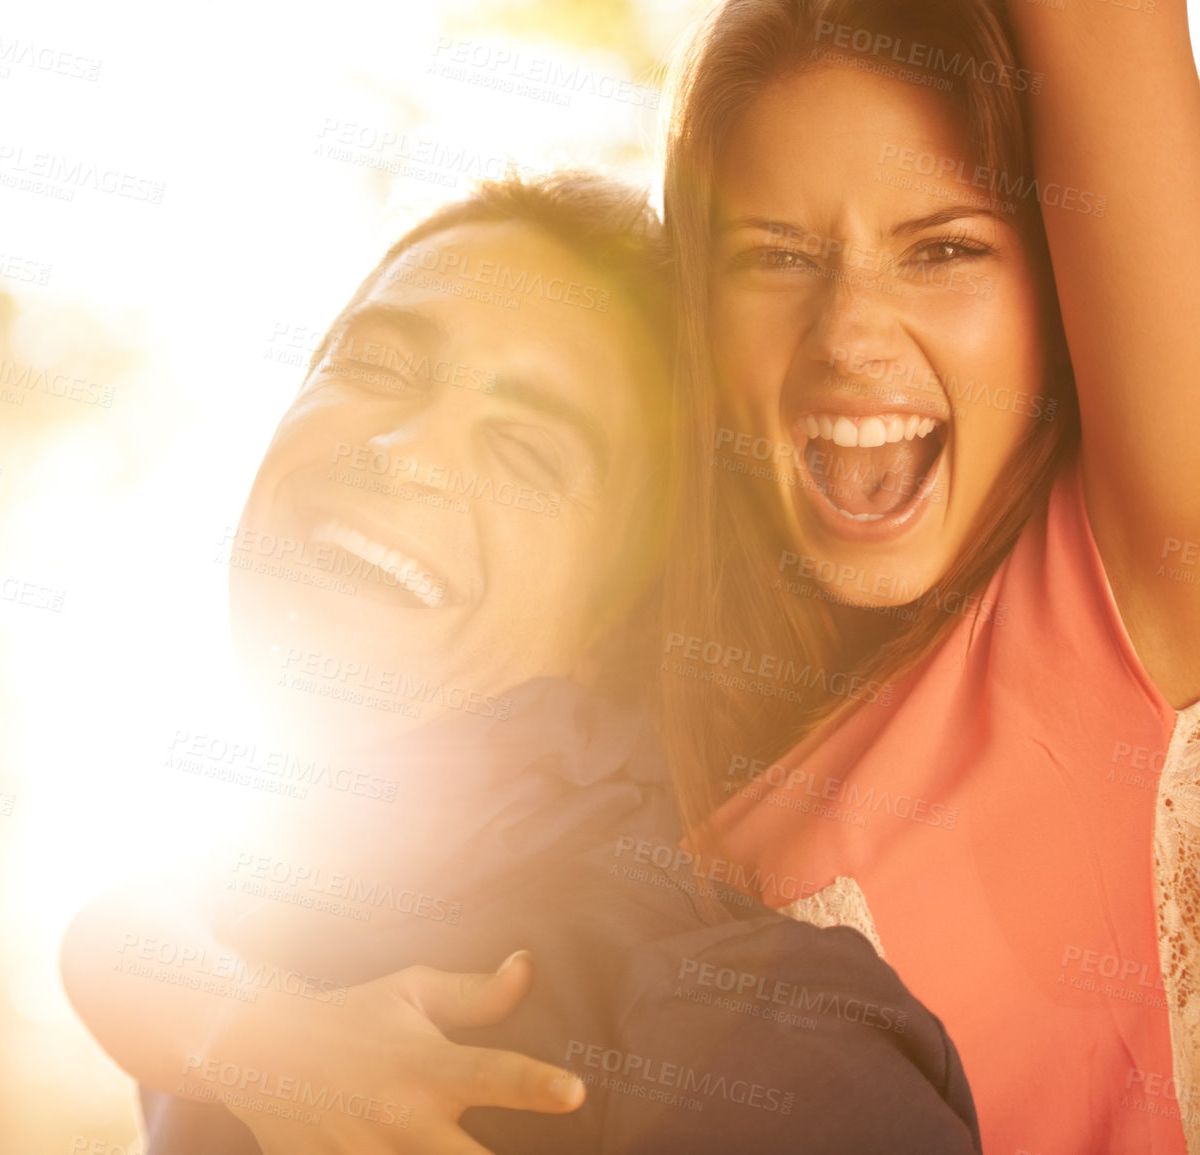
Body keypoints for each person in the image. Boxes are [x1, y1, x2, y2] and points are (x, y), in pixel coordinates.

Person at [61, 174, 981, 1153]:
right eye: (375, 365)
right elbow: (124, 926)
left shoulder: (738, 1031)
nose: (404, 454)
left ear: (613, 621)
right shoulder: (264, 906)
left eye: (529, 452)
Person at [653, 0, 1200, 1151]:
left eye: (944, 249)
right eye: (778, 258)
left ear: (1062, 298)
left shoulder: (1134, 592)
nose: (848, 334)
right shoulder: (650, 765)